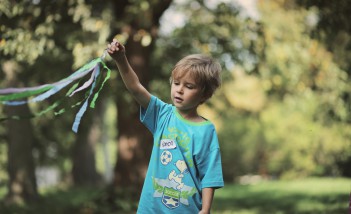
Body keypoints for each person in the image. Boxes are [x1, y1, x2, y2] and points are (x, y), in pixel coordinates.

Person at [107, 39, 224, 214]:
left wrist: (206, 209)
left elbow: (210, 175)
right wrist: (121, 59)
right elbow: (136, 88)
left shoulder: (206, 130)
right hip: (151, 209)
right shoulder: (162, 114)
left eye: (189, 86)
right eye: (176, 83)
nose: (179, 90)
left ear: (204, 94)